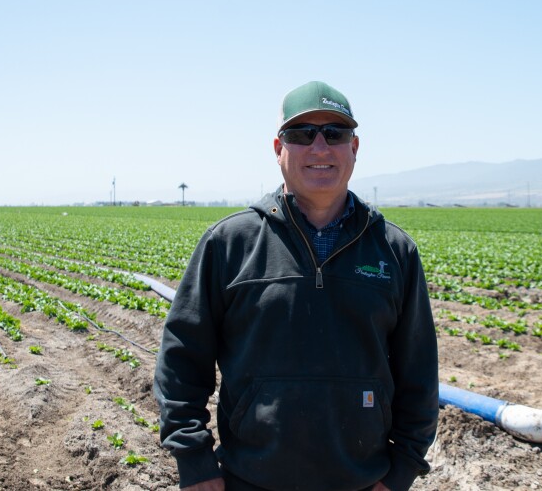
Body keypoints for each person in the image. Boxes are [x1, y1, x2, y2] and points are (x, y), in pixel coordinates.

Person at [154, 81, 439, 491]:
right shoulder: (230, 243)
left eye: (334, 134)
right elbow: (183, 356)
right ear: (278, 148)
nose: (320, 147)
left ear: (354, 147)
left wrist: (400, 473)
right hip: (248, 480)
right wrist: (194, 461)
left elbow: (419, 373)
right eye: (302, 134)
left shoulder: (394, 250)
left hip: (362, 481)